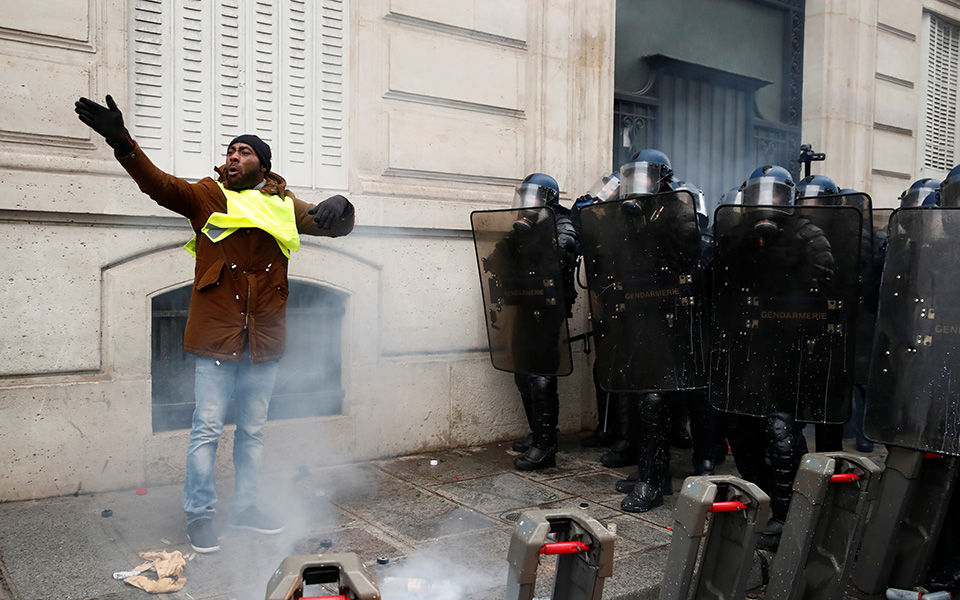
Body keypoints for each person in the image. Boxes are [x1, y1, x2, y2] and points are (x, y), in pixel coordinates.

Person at [74, 95, 356, 554]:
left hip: (264, 340)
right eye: (230, 149)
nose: (232, 156)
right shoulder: (207, 194)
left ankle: (246, 507)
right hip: (216, 338)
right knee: (206, 429)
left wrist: (342, 206)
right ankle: (200, 515)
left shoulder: (284, 203)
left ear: (262, 166)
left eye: (243, 151)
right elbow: (159, 185)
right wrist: (121, 141)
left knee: (253, 431)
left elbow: (333, 225)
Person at [488, 173, 580, 470]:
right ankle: (538, 433)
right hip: (525, 303)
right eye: (523, 196)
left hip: (548, 307)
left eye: (532, 196)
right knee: (521, 369)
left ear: (547, 198)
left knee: (540, 373)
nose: (526, 203)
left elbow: (563, 251)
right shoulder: (523, 227)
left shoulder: (561, 222)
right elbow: (498, 257)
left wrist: (539, 240)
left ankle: (545, 447)